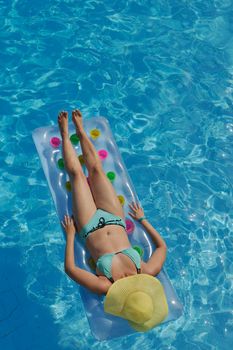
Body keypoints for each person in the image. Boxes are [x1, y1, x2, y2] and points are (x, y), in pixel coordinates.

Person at [58, 109, 168, 331]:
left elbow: (71, 269)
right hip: (115, 219)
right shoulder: (146, 271)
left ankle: (63, 132)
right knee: (97, 170)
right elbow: (162, 247)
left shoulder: (106, 286)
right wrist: (143, 220)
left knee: (78, 177)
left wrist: (71, 235)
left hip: (89, 226)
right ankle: (79, 129)